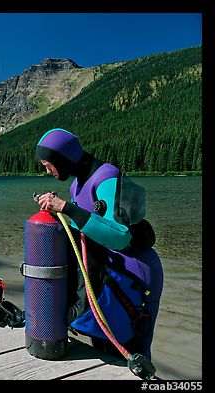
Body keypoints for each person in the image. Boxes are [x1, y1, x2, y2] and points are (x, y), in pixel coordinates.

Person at [34, 128, 163, 362]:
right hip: (107, 274)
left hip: (133, 274)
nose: (47, 170)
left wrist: (68, 208)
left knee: (132, 349)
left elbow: (120, 236)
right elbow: (87, 230)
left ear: (62, 158)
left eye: (47, 164)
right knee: (103, 343)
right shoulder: (76, 185)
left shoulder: (107, 176)